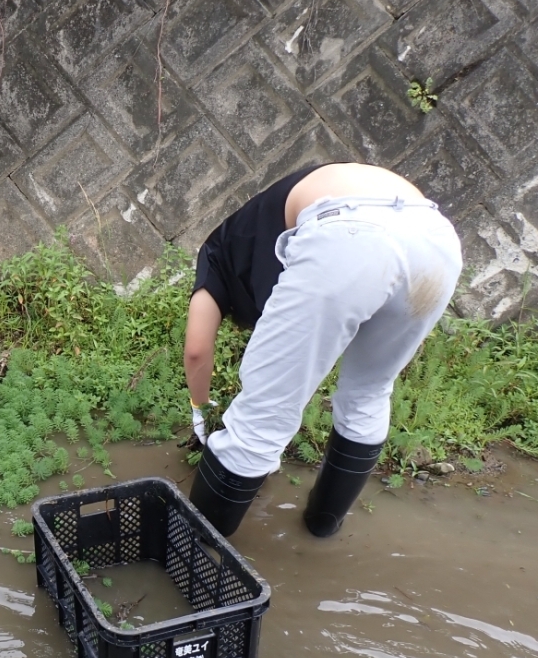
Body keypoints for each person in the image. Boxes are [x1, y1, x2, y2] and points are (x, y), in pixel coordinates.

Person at [184, 163, 463, 537]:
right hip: (434, 238)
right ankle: (321, 529)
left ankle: (191, 552)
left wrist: (200, 410)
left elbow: (198, 350)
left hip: (350, 232)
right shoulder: (261, 229)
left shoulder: (217, 253)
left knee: (261, 418)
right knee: (368, 394)